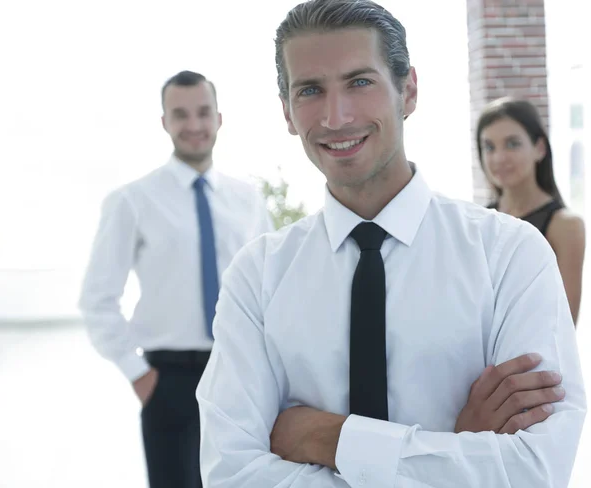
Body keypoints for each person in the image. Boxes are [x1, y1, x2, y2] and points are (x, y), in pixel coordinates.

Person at [196, 1, 586, 487]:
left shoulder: (511, 255)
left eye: (360, 81)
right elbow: (231, 473)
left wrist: (328, 438)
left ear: (409, 91)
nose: (336, 117)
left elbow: (535, 469)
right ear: (288, 113)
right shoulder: (256, 277)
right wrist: (455, 447)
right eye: (311, 90)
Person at [79, 70, 273, 488]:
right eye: (180, 115)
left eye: (203, 113)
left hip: (240, 374)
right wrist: (139, 375)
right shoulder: (132, 200)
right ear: (164, 122)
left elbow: (270, 289)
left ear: (219, 118)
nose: (194, 125)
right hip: (169, 379)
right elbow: (97, 298)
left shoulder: (248, 200)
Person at [477, 97, 585, 325]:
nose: (499, 158)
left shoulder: (566, 226)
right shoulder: (478, 221)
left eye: (512, 144)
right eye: (489, 147)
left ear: (539, 148)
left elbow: (563, 325)